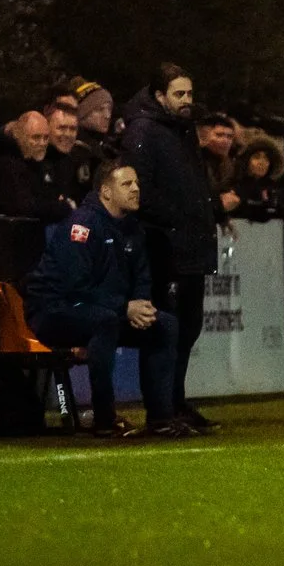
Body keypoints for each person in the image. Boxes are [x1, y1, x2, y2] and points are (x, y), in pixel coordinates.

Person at [22, 162, 182, 440]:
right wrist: (124, 307)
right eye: (127, 184)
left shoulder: (132, 228)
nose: (136, 189)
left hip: (104, 309)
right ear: (106, 192)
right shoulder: (82, 224)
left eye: (137, 183)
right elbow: (74, 285)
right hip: (55, 310)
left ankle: (161, 419)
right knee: (104, 321)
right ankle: (105, 418)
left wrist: (141, 304)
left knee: (164, 325)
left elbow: (142, 276)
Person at [121, 64, 220, 434]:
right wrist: (177, 217)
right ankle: (162, 408)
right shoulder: (144, 131)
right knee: (169, 329)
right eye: (179, 94)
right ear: (159, 96)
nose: (186, 101)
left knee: (188, 329)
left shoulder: (181, 130)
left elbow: (192, 183)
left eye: (189, 93)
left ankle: (175, 402)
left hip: (189, 245)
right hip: (165, 247)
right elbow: (139, 187)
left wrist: (210, 212)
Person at [0, 111, 60, 221]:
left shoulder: (44, 165)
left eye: (46, 138)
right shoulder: (5, 166)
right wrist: (60, 207)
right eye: (36, 137)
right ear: (19, 135)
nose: (42, 143)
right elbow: (24, 207)